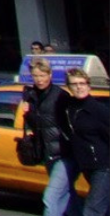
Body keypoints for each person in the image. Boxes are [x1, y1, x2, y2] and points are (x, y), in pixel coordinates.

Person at [25, 57, 78, 216]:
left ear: (50, 75)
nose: (39, 80)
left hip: (65, 154)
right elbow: (35, 124)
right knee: (68, 198)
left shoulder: (60, 96)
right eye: (36, 76)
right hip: (48, 155)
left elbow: (73, 124)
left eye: (43, 75)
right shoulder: (31, 95)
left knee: (51, 197)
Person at [62, 68, 110, 216]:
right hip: (86, 164)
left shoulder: (98, 110)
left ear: (89, 86)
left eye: (82, 83)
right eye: (74, 84)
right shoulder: (70, 108)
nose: (79, 87)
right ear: (69, 87)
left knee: (92, 209)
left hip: (103, 166)